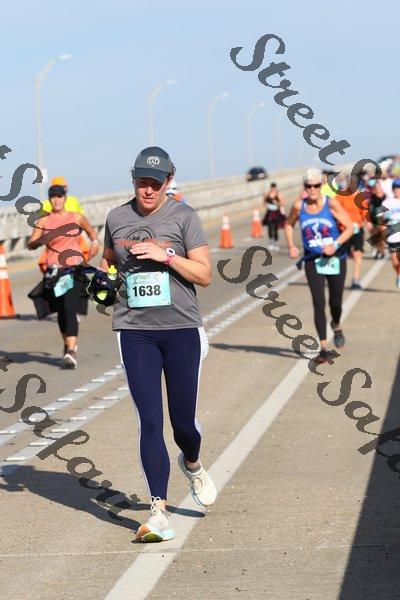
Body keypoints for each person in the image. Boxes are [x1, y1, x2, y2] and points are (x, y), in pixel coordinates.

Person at [100, 146, 217, 543]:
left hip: (181, 329)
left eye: (155, 183)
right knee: (149, 420)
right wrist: (101, 283)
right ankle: (159, 511)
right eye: (141, 182)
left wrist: (165, 256)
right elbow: (108, 263)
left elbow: (204, 275)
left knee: (183, 424)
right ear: (132, 180)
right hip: (135, 331)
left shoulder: (184, 217)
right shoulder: (116, 218)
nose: (147, 190)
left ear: (169, 180)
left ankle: (193, 463)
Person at [285, 169, 353, 364]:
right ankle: (323, 348)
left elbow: (350, 227)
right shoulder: (299, 206)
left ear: (321, 186)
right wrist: (291, 245)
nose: (312, 189)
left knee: (335, 302)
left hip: (335, 258)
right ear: (304, 187)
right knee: (318, 301)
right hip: (312, 260)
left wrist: (335, 245)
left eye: (316, 185)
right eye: (309, 186)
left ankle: (336, 324)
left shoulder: (330, 203)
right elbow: (288, 224)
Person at [27, 184, 99, 368]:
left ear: (65, 198)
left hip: (73, 270)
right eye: (53, 196)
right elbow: (31, 244)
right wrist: (42, 239)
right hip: (55, 273)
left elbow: (92, 233)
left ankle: (71, 351)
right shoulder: (44, 220)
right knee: (60, 311)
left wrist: (95, 243)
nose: (57, 199)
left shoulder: (76, 217)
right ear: (50, 199)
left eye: (60, 196)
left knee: (69, 308)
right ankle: (68, 345)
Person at [335, 175, 366, 290]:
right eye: (350, 183)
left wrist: (360, 225)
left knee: (358, 253)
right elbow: (335, 212)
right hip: (343, 230)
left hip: (357, 229)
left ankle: (355, 280)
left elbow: (364, 215)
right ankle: (339, 279)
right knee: (342, 255)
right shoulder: (340, 196)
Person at [382, 178, 400, 287]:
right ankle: (398, 273)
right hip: (392, 236)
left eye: (399, 188)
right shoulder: (387, 202)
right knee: (395, 261)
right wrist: (385, 217)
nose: (398, 190)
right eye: (396, 188)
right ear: (393, 189)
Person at [262, 182, 285, 250]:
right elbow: (264, 203)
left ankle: (276, 243)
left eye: (274, 188)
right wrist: (266, 204)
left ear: (275, 188)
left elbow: (282, 203)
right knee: (269, 228)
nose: (273, 189)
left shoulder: (278, 194)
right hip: (269, 213)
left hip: (276, 213)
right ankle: (271, 243)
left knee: (275, 229)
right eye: (272, 188)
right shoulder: (267, 194)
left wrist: (276, 202)